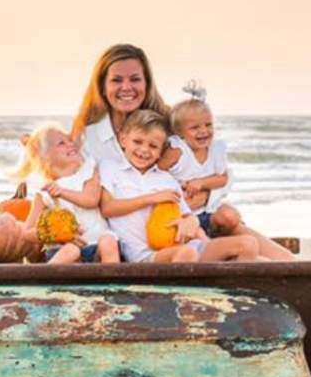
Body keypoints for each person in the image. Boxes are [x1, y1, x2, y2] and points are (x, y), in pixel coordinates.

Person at [100, 110, 262, 264]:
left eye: (153, 146)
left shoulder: (166, 179)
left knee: (248, 244)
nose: (144, 150)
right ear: (123, 140)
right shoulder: (110, 169)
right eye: (137, 142)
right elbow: (108, 208)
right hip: (149, 255)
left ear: (161, 151)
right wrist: (151, 198)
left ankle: (232, 290)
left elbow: (187, 215)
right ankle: (178, 293)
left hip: (187, 245)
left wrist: (191, 222)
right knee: (187, 253)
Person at [160, 88, 293, 262]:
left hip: (208, 212)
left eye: (208, 125)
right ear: (179, 133)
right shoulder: (177, 151)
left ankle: (222, 240)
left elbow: (223, 178)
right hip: (183, 216)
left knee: (231, 216)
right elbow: (157, 173)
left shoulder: (215, 149)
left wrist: (201, 183)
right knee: (202, 239)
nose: (203, 131)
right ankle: (214, 249)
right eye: (195, 127)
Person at [12, 124, 120, 264]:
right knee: (71, 250)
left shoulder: (88, 172)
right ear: (46, 156)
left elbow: (91, 200)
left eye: (70, 140)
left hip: (96, 246)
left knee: (109, 241)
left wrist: (62, 192)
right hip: (62, 250)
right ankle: (47, 279)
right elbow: (27, 232)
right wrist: (59, 235)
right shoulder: (44, 192)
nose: (70, 144)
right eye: (61, 143)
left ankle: (112, 283)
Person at [71, 44, 168, 166]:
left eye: (135, 79)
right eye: (116, 80)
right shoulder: (86, 138)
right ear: (102, 88)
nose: (126, 87)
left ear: (147, 85)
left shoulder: (169, 129)